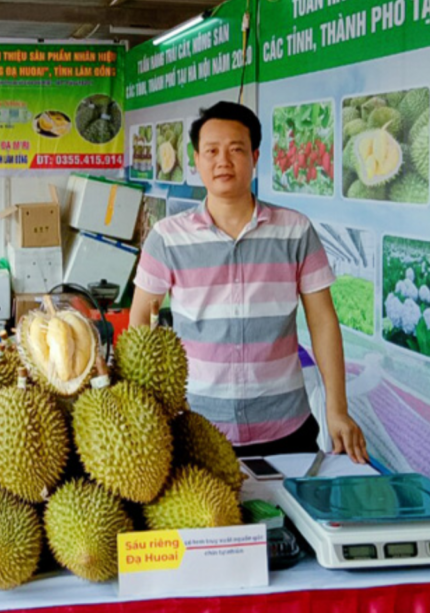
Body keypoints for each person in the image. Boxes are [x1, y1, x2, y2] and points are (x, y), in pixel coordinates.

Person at [129, 101, 368, 463]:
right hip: (198, 430)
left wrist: (336, 408)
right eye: (211, 151)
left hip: (285, 428)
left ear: (255, 157)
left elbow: (322, 322)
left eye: (236, 149)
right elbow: (140, 331)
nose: (223, 161)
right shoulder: (167, 238)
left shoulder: (295, 230)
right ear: (195, 160)